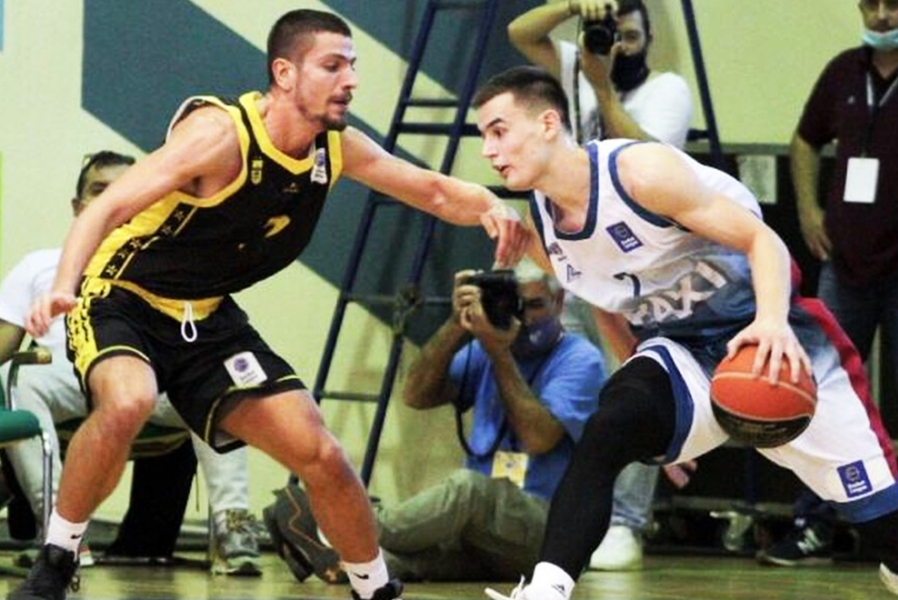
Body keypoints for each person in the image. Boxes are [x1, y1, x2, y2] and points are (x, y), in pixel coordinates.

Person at [9, 9, 526, 600]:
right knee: (130, 401)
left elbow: (432, 190)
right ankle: (56, 559)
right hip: (123, 294)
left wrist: (494, 206)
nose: (351, 79)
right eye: (332, 66)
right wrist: (64, 283)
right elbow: (107, 208)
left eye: (353, 65)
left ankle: (374, 588)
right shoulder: (219, 135)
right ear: (285, 74)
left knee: (320, 452)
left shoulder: (336, 149)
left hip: (205, 313)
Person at [469, 66, 898, 600]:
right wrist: (643, 394)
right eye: (483, 136)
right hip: (684, 351)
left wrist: (770, 322)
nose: (488, 150)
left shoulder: (639, 172)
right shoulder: (547, 216)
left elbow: (762, 240)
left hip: (768, 335)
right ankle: (545, 590)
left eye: (498, 130)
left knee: (883, 517)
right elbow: (605, 299)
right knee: (610, 426)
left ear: (548, 123)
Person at [0, 151, 262, 577]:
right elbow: (4, 345)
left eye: (124, 189)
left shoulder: (169, 265)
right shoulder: (40, 265)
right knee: (15, 380)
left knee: (221, 384)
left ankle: (234, 527)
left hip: (149, 382)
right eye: (99, 190)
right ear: (78, 206)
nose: (112, 198)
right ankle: (62, 532)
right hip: (67, 377)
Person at [507, 0, 694, 570]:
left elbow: (651, 157)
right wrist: (573, 7)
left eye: (631, 37)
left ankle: (626, 520)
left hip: (641, 263)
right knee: (579, 381)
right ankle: (572, 511)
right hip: (578, 254)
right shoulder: (578, 62)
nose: (620, 47)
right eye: (613, 35)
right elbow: (520, 32)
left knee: (636, 383)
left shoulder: (666, 89)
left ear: (650, 39)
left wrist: (602, 88)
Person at [277, 259, 604, 582]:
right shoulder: (485, 349)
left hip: (548, 537)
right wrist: (455, 324)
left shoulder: (580, 358)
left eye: (534, 305)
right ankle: (344, 562)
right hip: (486, 536)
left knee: (468, 490)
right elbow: (415, 395)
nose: (524, 318)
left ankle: (340, 529)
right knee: (410, 559)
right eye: (514, 306)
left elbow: (538, 439)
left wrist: (500, 354)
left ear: (559, 300)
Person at [757, 0, 898, 568]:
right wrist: (809, 210)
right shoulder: (843, 70)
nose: (882, 16)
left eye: (893, 4)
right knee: (821, 395)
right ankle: (812, 524)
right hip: (845, 261)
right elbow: (803, 141)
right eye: (871, 4)